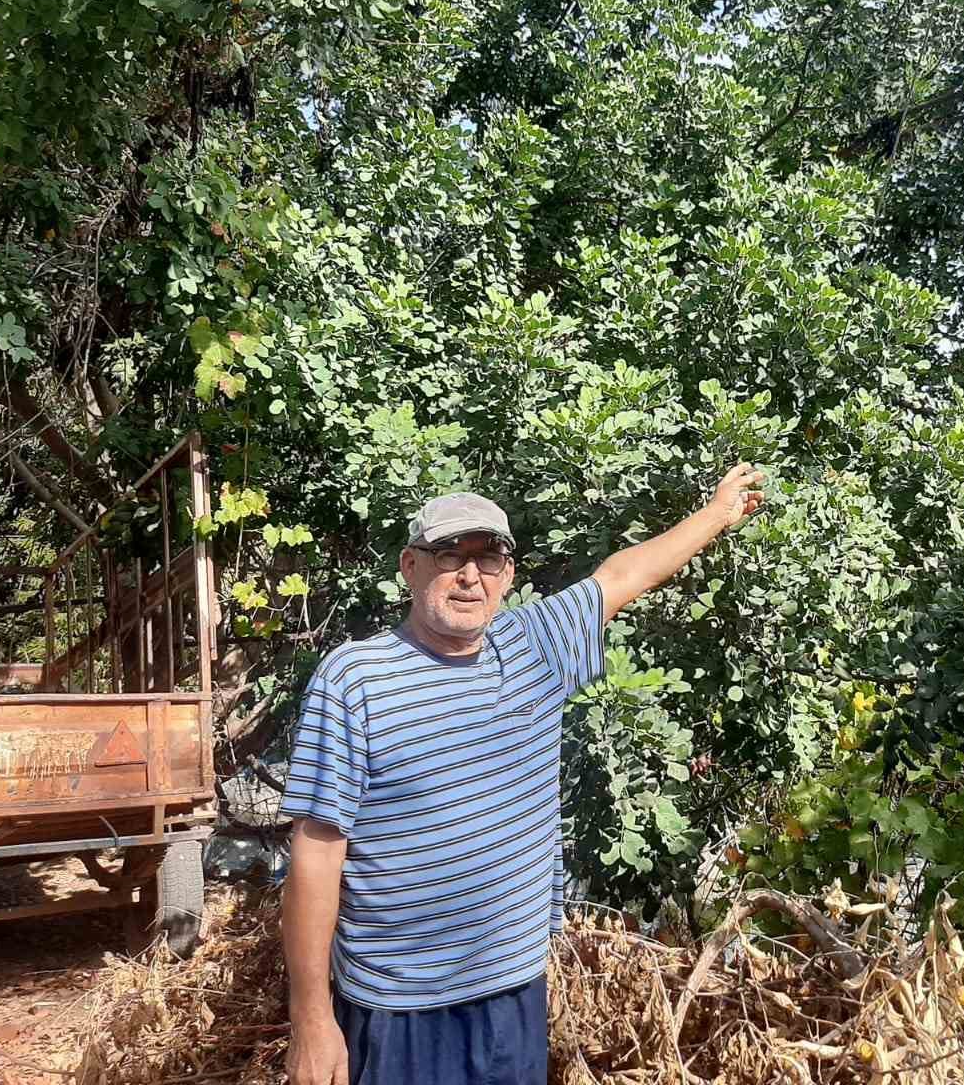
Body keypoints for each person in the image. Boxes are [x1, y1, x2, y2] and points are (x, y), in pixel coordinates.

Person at [279, 464, 765, 1085]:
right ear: (410, 566)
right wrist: (312, 1020)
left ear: (508, 575)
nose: (469, 574)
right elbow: (316, 855)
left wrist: (718, 513)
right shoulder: (355, 678)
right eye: (449, 553)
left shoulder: (534, 646)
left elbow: (623, 574)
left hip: (514, 990)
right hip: (398, 1007)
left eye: (489, 558)